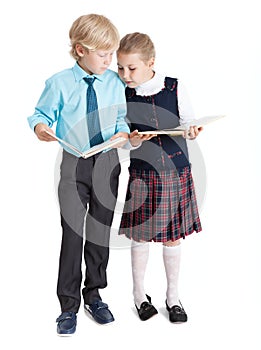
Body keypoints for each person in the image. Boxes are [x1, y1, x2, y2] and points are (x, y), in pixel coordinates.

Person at [27, 14, 129, 335]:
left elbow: (122, 120)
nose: (109, 61)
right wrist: (41, 128)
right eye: (103, 54)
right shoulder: (58, 83)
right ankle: (67, 304)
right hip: (74, 163)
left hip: (108, 161)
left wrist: (123, 133)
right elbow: (41, 115)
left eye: (111, 54)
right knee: (72, 232)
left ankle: (94, 294)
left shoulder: (115, 82)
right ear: (80, 50)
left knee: (99, 229)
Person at [117, 32, 202, 323]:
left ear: (150, 63)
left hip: (176, 172)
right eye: (120, 68)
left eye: (131, 68)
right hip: (142, 174)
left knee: (173, 238)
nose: (125, 74)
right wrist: (135, 140)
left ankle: (173, 298)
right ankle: (139, 295)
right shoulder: (122, 93)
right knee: (139, 236)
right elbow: (124, 141)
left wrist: (191, 130)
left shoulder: (174, 87)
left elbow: (189, 122)